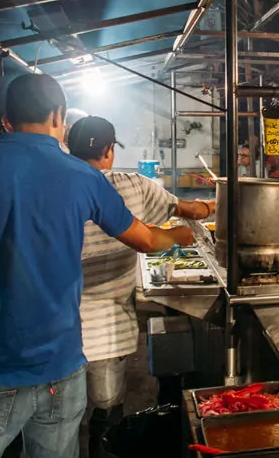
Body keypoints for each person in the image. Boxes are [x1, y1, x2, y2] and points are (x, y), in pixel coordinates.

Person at [0, 74, 189, 458]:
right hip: (61, 365)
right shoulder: (85, 176)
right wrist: (180, 235)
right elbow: (146, 239)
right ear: (59, 116)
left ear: (6, 118)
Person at [66, 116, 211, 452]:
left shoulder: (51, 189)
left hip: (54, 327)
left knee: (58, 421)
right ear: (108, 150)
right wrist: (207, 209)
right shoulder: (129, 184)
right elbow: (180, 213)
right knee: (106, 415)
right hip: (107, 328)